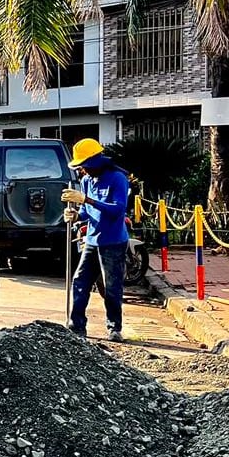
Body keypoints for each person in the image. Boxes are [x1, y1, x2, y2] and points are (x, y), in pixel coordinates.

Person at [61, 138, 130, 341]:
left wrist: (86, 199)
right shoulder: (86, 181)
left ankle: (114, 327)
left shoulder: (117, 179)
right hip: (92, 240)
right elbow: (85, 211)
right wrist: (75, 215)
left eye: (84, 165)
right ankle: (77, 324)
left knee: (111, 287)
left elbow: (117, 211)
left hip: (113, 242)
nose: (82, 170)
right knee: (80, 281)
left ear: (94, 161)